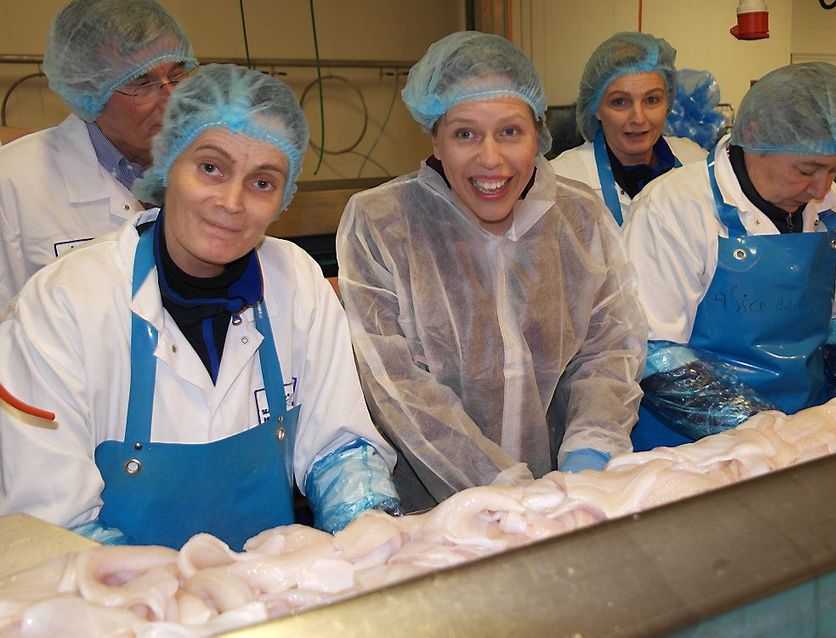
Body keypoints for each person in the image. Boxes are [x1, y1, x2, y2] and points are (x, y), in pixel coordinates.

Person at [0, 64, 399, 551]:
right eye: (211, 167)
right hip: (121, 615)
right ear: (169, 164)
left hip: (269, 607)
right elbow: (54, 525)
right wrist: (166, 601)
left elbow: (338, 448)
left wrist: (370, 535)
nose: (232, 202)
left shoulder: (296, 282)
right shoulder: (65, 304)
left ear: (282, 198)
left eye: (262, 182)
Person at [336, 31, 646, 511]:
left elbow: (608, 348)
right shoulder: (381, 224)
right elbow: (397, 384)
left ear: (538, 135)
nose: (490, 159)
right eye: (465, 133)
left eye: (510, 132)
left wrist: (591, 451)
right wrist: (497, 486)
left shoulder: (578, 218)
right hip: (438, 510)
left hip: (565, 497)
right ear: (434, 137)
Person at [623, 62, 836, 450]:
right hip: (689, 449)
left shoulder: (828, 206)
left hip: (806, 433)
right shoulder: (676, 207)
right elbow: (655, 357)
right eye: (808, 169)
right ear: (754, 137)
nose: (822, 188)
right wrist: (765, 433)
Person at [0, 0, 197, 309]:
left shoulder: (205, 169)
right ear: (90, 89)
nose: (171, 98)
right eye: (142, 83)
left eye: (176, 75)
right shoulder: (12, 183)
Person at [551, 32, 707, 226]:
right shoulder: (562, 184)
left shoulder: (697, 162)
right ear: (596, 108)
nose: (638, 118)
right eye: (620, 102)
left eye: (652, 100)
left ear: (668, 103)